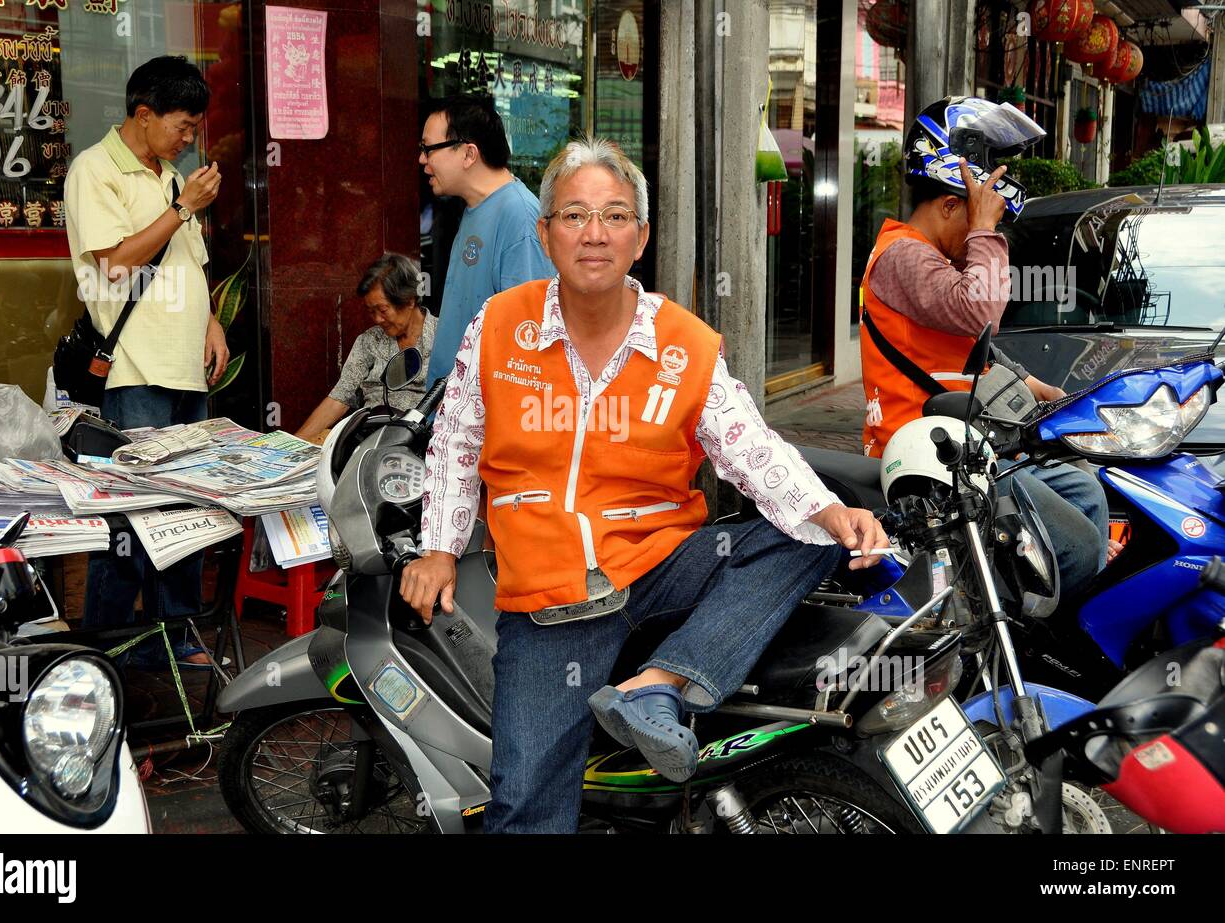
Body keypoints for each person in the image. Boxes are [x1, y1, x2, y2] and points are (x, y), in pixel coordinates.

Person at [401, 137, 890, 833]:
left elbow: (747, 445)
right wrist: (440, 547)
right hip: (550, 600)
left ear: (642, 237)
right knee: (525, 810)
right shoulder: (500, 327)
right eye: (573, 215)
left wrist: (830, 509)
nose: (594, 233)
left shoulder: (683, 342)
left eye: (615, 216)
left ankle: (657, 685)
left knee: (809, 531)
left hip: (661, 569)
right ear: (545, 234)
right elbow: (455, 441)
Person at [858, 96, 1110, 596]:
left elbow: (972, 341)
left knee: (1085, 492)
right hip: (927, 457)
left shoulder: (928, 259)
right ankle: (1020, 634)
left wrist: (1036, 386)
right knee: (1076, 543)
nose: (979, 238)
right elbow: (979, 310)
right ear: (950, 205)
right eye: (970, 217)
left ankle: (1035, 619)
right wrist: (984, 229)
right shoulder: (902, 256)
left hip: (967, 445)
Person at [66, 55, 227, 667]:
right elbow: (112, 264)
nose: (189, 139)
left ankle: (176, 635)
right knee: (133, 516)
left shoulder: (165, 175)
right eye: (183, 126)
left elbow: (188, 262)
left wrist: (211, 322)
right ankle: (107, 642)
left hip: (185, 366)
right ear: (143, 113)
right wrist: (182, 207)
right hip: (136, 369)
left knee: (188, 508)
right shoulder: (94, 171)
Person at [419, 95, 554, 385]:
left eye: (428, 148)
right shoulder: (473, 207)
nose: (422, 160)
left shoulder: (518, 214)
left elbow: (526, 335)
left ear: (469, 154)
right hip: (452, 407)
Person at [296, 253, 437, 442]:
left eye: (383, 310)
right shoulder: (369, 341)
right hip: (370, 436)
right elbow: (339, 398)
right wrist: (294, 443)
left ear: (410, 300)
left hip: (421, 440)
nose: (378, 319)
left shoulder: (443, 337)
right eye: (371, 312)